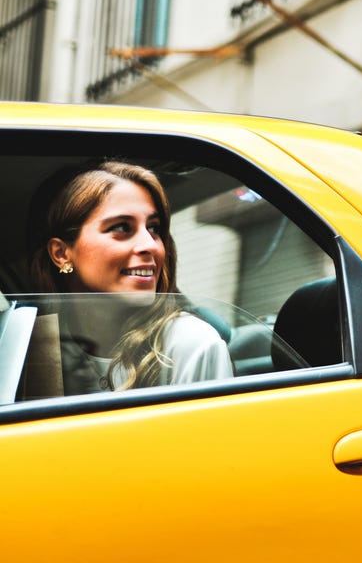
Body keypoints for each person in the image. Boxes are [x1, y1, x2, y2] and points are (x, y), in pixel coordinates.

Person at [28, 161, 233, 395]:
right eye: (122, 227)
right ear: (61, 253)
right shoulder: (32, 348)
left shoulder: (189, 343)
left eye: (154, 228)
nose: (150, 245)